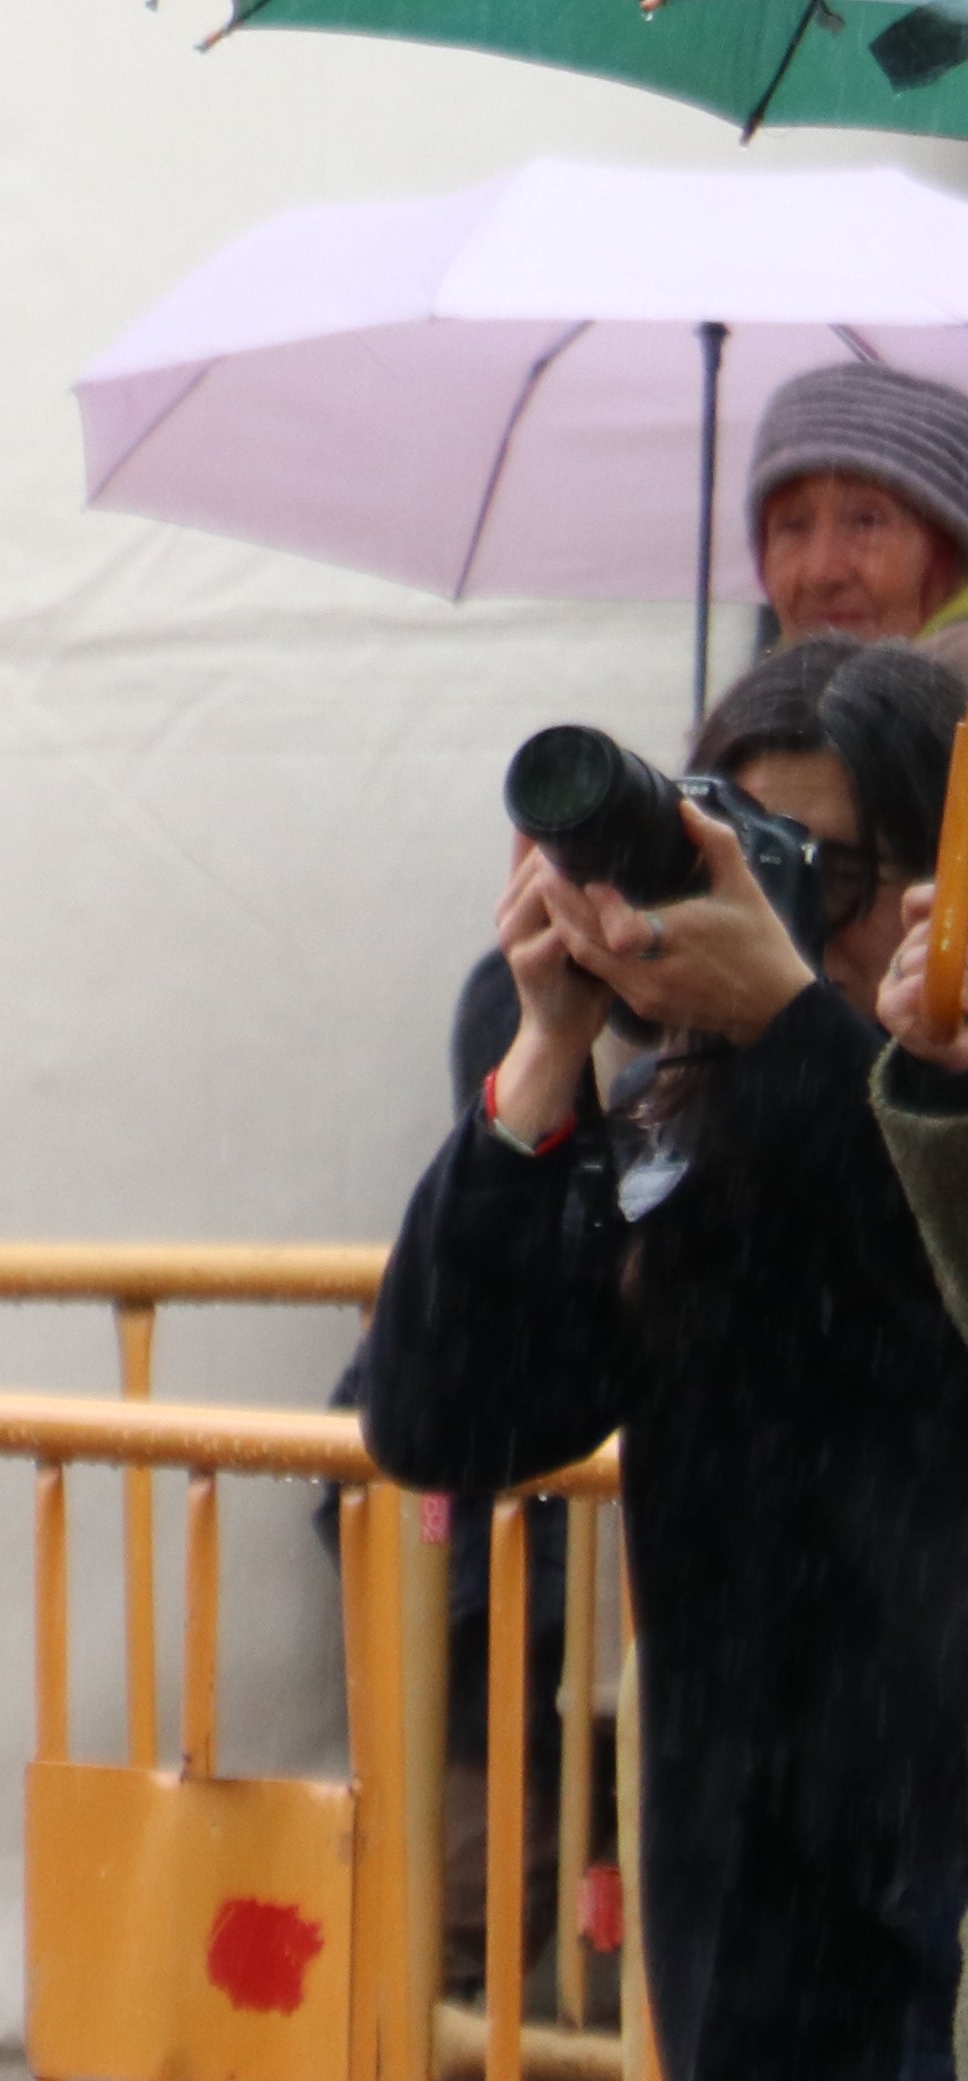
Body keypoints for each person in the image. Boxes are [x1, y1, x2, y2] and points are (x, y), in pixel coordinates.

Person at [362, 637, 968, 2079]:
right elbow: (444, 1419)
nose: (767, 910)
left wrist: (807, 1030)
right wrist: (545, 1060)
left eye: (821, 867)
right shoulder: (689, 1135)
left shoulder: (918, 1121)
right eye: (736, 854)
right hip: (738, 1920)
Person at [752, 360, 968, 645]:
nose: (822, 572)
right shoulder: (770, 689)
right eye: (792, 526)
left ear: (954, 550)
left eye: (866, 522)